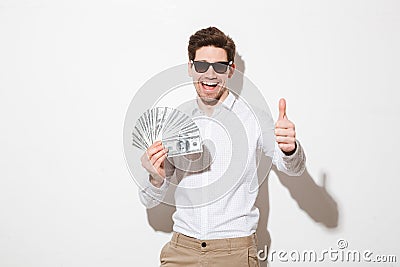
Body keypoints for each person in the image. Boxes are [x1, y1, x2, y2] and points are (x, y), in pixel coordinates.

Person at [138, 27, 306, 267]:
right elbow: (149, 200)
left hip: (234, 252)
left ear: (230, 70)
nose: (210, 74)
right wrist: (155, 178)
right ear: (190, 67)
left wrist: (290, 149)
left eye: (219, 66)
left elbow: (293, 168)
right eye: (201, 65)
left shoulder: (255, 119)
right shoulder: (176, 121)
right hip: (181, 251)